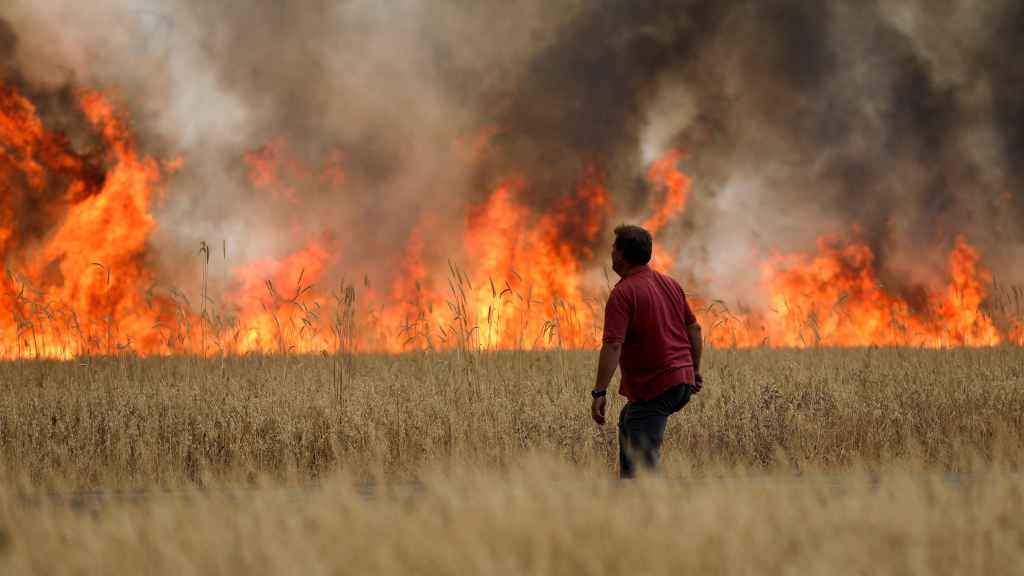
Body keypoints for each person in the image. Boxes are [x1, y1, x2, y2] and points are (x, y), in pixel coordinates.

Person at [590, 224, 703, 478]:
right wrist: (694, 371)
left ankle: (646, 495)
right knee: (630, 418)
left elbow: (613, 345)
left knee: (644, 465)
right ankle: (628, 486)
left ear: (622, 254)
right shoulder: (670, 284)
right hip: (681, 380)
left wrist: (599, 392)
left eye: (613, 247)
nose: (611, 252)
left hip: (657, 384)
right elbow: (695, 329)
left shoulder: (623, 293)